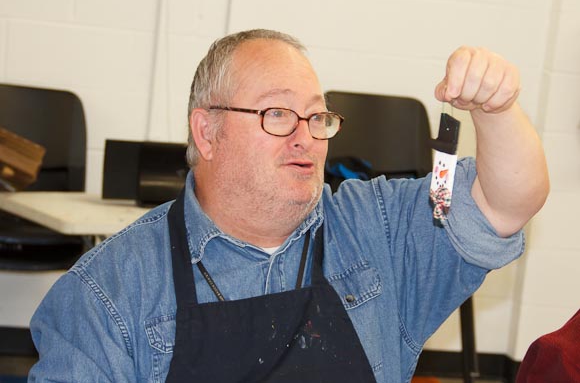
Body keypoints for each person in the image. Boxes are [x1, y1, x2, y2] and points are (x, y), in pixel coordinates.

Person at [28, 29, 549, 383]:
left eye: (318, 117)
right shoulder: (110, 289)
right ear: (206, 132)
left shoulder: (378, 229)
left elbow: (506, 205)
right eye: (278, 114)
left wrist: (497, 110)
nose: (307, 137)